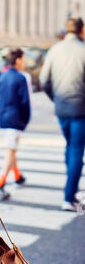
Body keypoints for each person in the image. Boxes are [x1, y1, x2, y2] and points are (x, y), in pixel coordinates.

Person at [39, 17, 85, 212]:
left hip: (62, 108)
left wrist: (56, 98)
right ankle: (69, 196)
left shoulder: (55, 50)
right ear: (81, 30)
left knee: (70, 145)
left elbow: (43, 80)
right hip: (81, 108)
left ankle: (70, 186)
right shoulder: (83, 49)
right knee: (76, 149)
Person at [0, 48, 31, 201]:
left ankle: (17, 176)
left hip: (3, 118)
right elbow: (25, 102)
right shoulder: (20, 78)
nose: (24, 63)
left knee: (12, 149)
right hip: (15, 119)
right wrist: (25, 120)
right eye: (23, 60)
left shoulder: (1, 76)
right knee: (10, 151)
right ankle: (0, 184)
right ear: (17, 60)